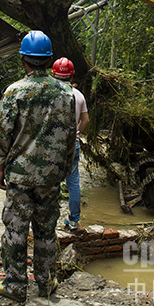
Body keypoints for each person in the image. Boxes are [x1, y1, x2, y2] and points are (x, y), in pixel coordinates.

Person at [0, 30, 77, 302]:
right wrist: (65, 167)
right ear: (48, 59)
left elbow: (2, 134)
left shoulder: (14, 92)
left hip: (20, 175)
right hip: (51, 176)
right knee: (46, 230)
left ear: (23, 61)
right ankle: (46, 282)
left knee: (16, 230)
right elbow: (70, 134)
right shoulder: (67, 93)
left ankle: (15, 286)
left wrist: (0, 166)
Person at [51, 57, 89, 231]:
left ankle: (48, 222)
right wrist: (77, 132)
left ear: (53, 75)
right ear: (71, 77)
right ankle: (74, 220)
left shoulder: (50, 93)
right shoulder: (79, 95)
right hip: (72, 143)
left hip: (52, 144)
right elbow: (86, 119)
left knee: (50, 181)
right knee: (73, 182)